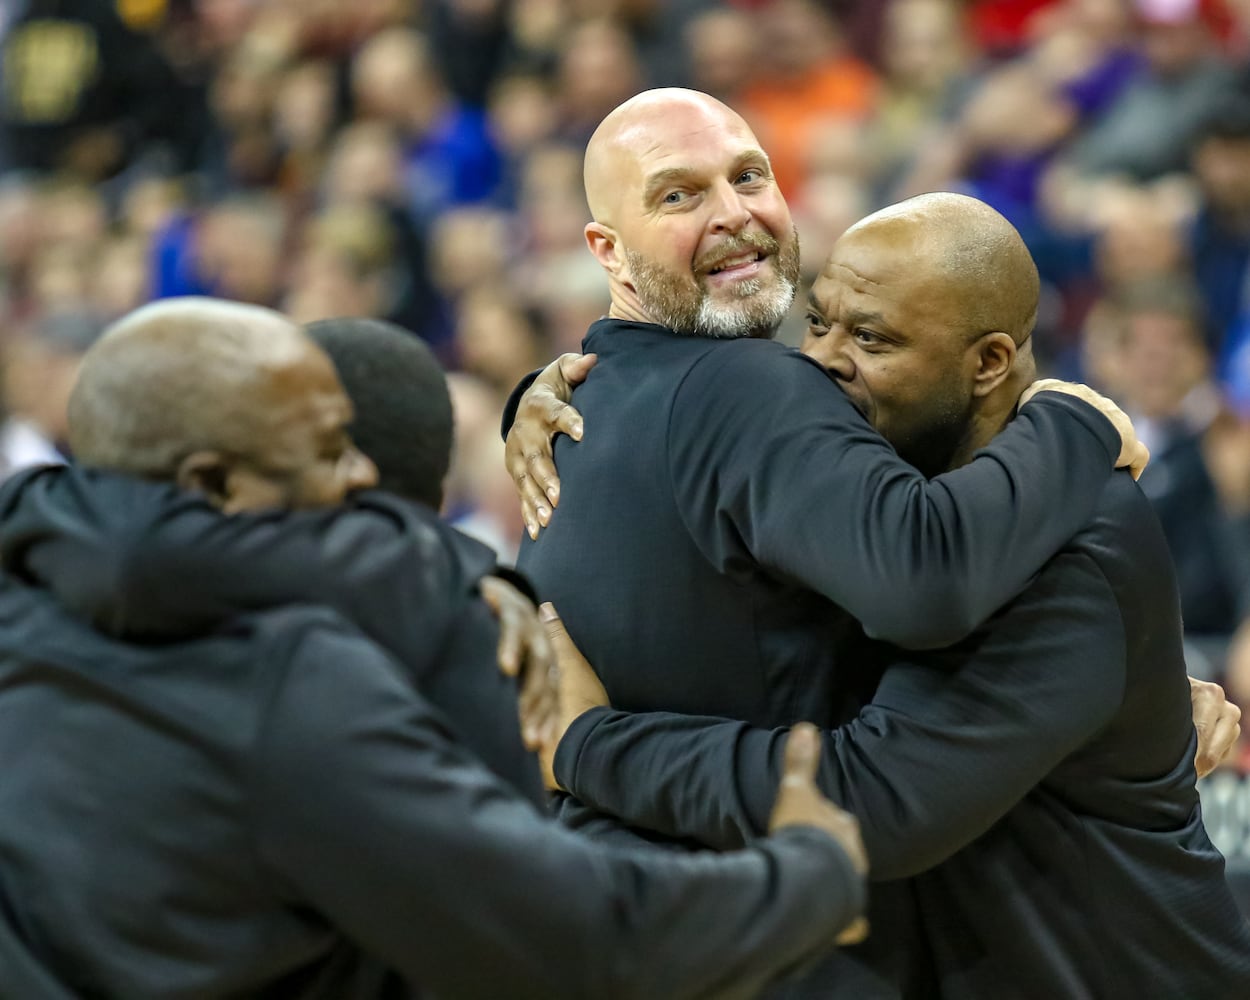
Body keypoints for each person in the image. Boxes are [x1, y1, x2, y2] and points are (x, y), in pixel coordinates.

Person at [0, 298, 869, 999]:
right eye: (329, 452)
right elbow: (581, 940)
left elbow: (114, 534)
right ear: (213, 484)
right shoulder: (290, 683)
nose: (361, 481)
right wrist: (811, 870)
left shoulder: (27, 593)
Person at [510, 193, 1250, 997]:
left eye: (870, 337)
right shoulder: (902, 491)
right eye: (818, 322)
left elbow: (868, 800)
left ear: (990, 363)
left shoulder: (1068, 543)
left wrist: (585, 741)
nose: (822, 360)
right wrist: (554, 392)